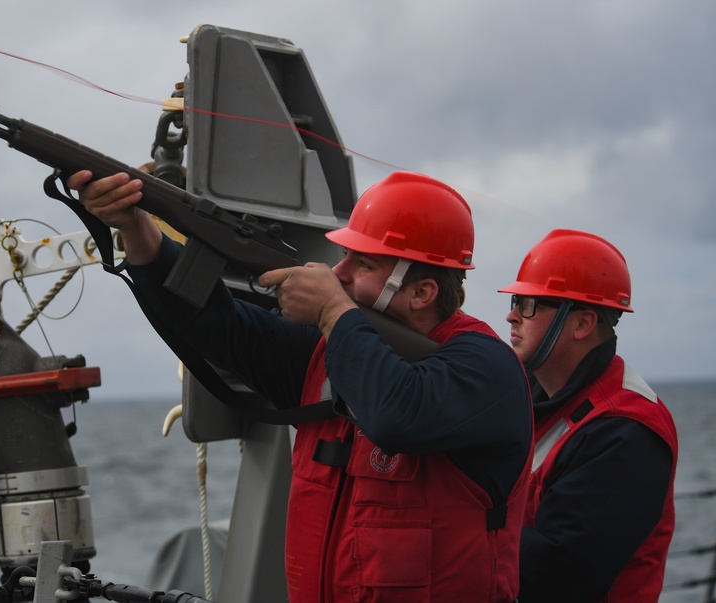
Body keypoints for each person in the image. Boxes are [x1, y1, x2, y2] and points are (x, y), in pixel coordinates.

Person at [70, 168, 533, 602]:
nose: (338, 273)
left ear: (421, 293)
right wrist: (137, 230)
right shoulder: (329, 350)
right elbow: (220, 326)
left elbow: (395, 415)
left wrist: (333, 312)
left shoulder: (485, 367)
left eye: (363, 263)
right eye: (344, 256)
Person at [500, 229, 678, 602]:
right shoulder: (528, 398)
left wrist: (457, 516)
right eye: (517, 300)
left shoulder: (626, 431)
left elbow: (558, 574)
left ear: (583, 324)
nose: (512, 316)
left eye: (529, 304)